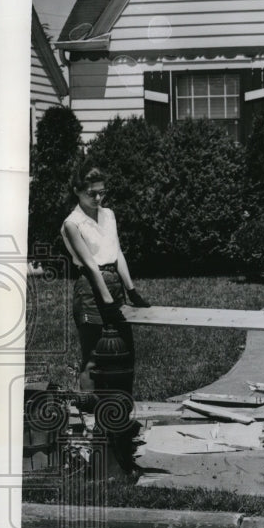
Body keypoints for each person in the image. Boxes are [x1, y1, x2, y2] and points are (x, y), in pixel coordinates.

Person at [61, 166, 151, 392]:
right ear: (77, 191)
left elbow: (117, 252)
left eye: (102, 192)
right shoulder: (73, 223)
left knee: (125, 351)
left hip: (115, 285)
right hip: (91, 290)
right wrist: (107, 300)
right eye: (91, 193)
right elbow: (90, 264)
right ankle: (91, 414)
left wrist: (131, 291)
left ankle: (120, 409)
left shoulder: (108, 214)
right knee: (93, 355)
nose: (98, 198)